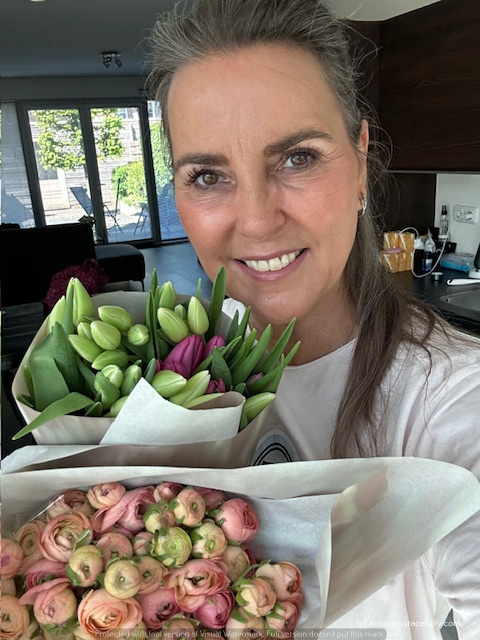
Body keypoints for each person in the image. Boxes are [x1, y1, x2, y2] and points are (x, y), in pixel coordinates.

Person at [146, 0, 480, 636]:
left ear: (360, 161)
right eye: (208, 175)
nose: (256, 220)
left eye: (297, 157)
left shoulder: (451, 396)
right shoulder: (155, 379)